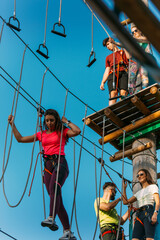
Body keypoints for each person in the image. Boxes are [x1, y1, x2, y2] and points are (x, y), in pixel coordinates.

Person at [8, 109, 81, 240]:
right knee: (55, 196)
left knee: (54, 189)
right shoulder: (41, 134)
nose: (49, 123)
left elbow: (77, 131)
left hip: (60, 162)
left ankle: (51, 217)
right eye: (47, 120)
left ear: (56, 120)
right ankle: (67, 232)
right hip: (47, 166)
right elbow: (20, 139)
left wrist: (67, 122)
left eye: (51, 120)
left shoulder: (62, 131)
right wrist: (12, 124)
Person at [123, 168, 160, 240]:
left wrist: (155, 213)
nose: (139, 176)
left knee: (149, 238)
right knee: (134, 239)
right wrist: (124, 188)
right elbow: (125, 202)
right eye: (138, 175)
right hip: (139, 214)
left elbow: (158, 201)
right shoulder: (138, 193)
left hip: (148, 212)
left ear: (146, 176)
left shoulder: (153, 187)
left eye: (141, 174)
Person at [100, 37, 129, 106]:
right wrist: (103, 82)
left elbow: (128, 57)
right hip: (113, 74)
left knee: (123, 92)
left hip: (123, 72)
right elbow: (107, 70)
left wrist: (116, 43)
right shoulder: (108, 57)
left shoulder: (123, 51)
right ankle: (111, 108)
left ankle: (124, 107)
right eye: (106, 46)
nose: (107, 47)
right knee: (113, 93)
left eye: (108, 44)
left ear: (112, 42)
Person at [129, 25, 150, 93]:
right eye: (132, 32)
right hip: (135, 60)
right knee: (132, 76)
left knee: (143, 73)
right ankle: (131, 92)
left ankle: (145, 87)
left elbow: (143, 40)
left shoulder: (145, 38)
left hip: (144, 57)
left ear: (140, 31)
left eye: (135, 31)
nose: (134, 33)